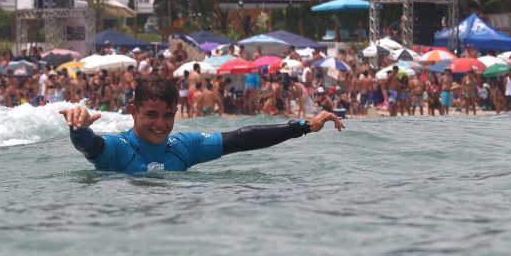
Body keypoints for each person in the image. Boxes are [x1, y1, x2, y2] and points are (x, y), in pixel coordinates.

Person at [60, 76, 344, 174]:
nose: (161, 124)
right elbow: (90, 145)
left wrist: (304, 126)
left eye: (168, 116)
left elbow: (242, 139)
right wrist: (78, 129)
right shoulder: (119, 149)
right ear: (133, 112)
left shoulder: (184, 147)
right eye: (151, 115)